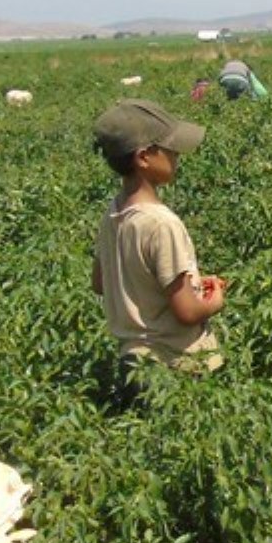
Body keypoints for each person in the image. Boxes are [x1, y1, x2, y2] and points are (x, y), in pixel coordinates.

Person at [91, 99, 226, 406]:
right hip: (177, 368)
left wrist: (182, 285)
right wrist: (214, 299)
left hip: (132, 366)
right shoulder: (162, 223)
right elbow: (188, 312)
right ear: (144, 158)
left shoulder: (113, 213)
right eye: (170, 150)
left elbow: (101, 282)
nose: (177, 155)